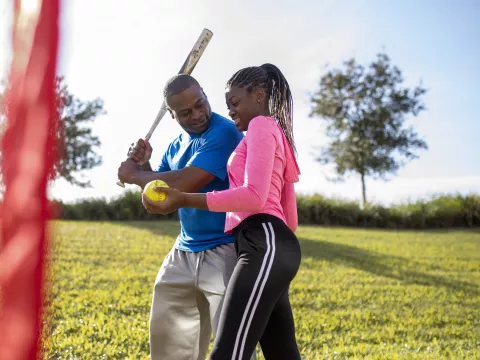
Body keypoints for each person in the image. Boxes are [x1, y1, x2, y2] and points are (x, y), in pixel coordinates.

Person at [141, 63, 302, 360]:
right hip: (272, 244)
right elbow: (288, 215)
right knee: (282, 353)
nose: (230, 112)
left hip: (263, 242)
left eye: (236, 103)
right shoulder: (275, 132)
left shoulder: (260, 126)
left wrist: (185, 199)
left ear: (259, 95)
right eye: (228, 105)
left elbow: (254, 198)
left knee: (229, 351)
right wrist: (277, 252)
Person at [117, 74, 256, 360]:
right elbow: (162, 193)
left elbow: (182, 183)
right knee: (169, 345)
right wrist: (144, 165)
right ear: (171, 114)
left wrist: (134, 175)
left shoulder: (226, 133)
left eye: (200, 104)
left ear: (206, 96)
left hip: (225, 251)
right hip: (183, 251)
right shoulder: (176, 145)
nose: (197, 115)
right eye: (185, 112)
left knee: (233, 349)